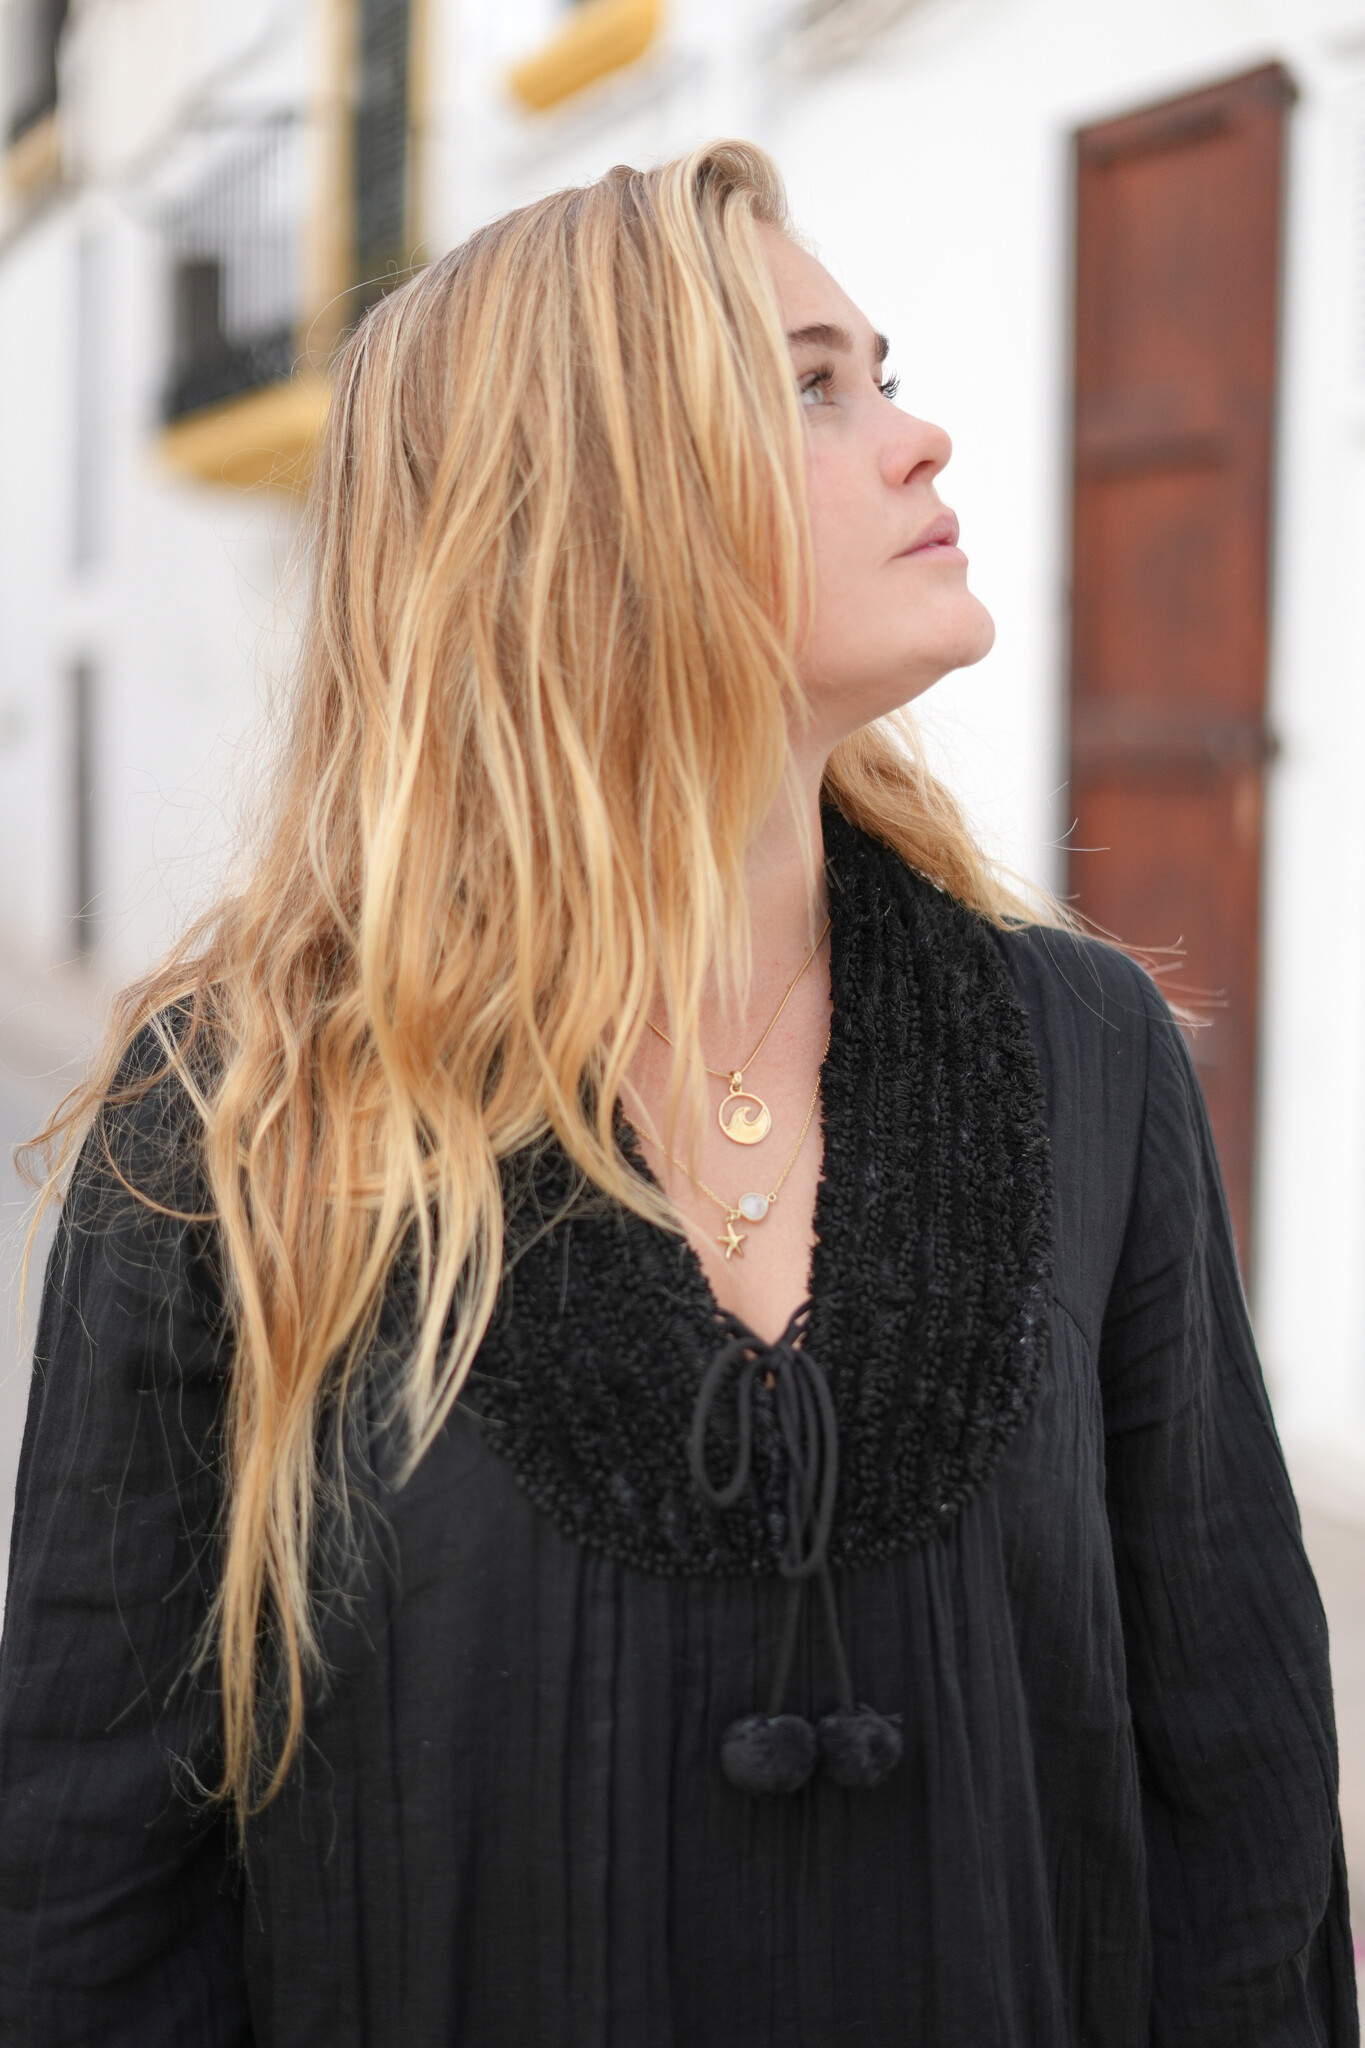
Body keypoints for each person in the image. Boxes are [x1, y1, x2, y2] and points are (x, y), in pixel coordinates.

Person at [0, 141, 1354, 2048]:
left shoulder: (1084, 1053)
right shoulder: (241, 1118)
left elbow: (1242, 1814)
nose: (920, 439)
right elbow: (89, 1899)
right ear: (581, 496)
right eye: (811, 387)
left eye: (880, 374)